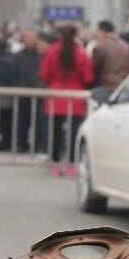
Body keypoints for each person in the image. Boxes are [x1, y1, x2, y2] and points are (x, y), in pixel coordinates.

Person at [39, 24, 93, 177]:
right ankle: (71, 164)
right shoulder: (81, 53)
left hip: (56, 98)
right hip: (75, 99)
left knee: (55, 133)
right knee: (74, 134)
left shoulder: (52, 51)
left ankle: (56, 163)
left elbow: (44, 74)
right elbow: (88, 76)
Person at [13, 29, 49, 153]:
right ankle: (21, 145)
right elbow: (14, 74)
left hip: (38, 94)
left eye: (33, 38)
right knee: (22, 121)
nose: (30, 41)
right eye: (28, 38)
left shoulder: (41, 55)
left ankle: (38, 146)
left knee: (39, 121)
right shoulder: (18, 56)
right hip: (22, 93)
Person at [91, 20, 129, 92]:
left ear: (102, 32)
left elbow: (94, 69)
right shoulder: (124, 46)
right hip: (124, 87)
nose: (95, 34)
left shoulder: (100, 46)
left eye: (97, 32)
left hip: (107, 87)